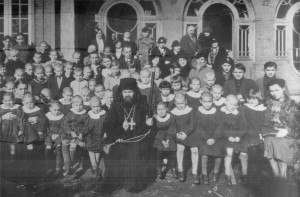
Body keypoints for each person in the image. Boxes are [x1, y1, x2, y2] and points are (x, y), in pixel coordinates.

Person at [94, 78, 154, 194]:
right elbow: (108, 124)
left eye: (130, 91)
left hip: (136, 139)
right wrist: (118, 135)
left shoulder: (141, 103)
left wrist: (148, 124)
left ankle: (132, 185)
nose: (127, 94)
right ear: (121, 92)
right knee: (114, 153)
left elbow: (145, 127)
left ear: (135, 92)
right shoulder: (116, 105)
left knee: (134, 153)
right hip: (119, 139)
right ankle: (111, 184)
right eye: (125, 92)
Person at [262, 78, 300, 179]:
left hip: (289, 135)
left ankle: (282, 176)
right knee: (268, 140)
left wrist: (287, 130)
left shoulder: (292, 104)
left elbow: (298, 126)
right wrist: (262, 132)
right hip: (272, 133)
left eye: (276, 90)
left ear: (283, 88)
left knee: (280, 143)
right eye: (271, 91)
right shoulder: (268, 103)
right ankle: (276, 174)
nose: (274, 93)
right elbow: (265, 122)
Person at [171, 92, 199, 184]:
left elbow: (192, 124)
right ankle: (180, 170)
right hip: (179, 134)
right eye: (178, 103)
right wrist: (176, 134)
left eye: (182, 103)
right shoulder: (173, 112)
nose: (180, 105)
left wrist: (186, 133)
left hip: (190, 134)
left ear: (186, 101)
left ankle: (194, 172)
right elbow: (172, 125)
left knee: (194, 150)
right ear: (175, 103)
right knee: (180, 149)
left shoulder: (190, 110)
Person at [195, 92, 223, 185]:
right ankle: (204, 173)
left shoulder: (216, 111)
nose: (207, 104)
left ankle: (216, 172)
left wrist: (214, 138)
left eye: (209, 101)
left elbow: (220, 126)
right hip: (203, 137)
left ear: (213, 101)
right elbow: (198, 127)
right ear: (200, 101)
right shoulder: (198, 112)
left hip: (215, 136)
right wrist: (207, 138)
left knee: (218, 151)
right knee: (205, 151)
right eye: (205, 101)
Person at [220, 94, 248, 186]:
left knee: (244, 152)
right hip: (226, 137)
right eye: (231, 104)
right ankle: (227, 174)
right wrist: (229, 136)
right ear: (225, 102)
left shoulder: (239, 112)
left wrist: (239, 136)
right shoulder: (221, 112)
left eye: (235, 105)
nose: (233, 107)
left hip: (238, 137)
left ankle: (244, 174)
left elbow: (244, 126)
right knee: (229, 152)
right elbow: (221, 128)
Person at [62, 95, 90, 176]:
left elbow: (87, 125)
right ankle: (68, 165)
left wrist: (82, 133)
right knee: (67, 146)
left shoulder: (85, 114)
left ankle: (73, 161)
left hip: (80, 135)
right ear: (72, 105)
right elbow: (65, 124)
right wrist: (70, 132)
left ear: (83, 104)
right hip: (70, 134)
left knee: (74, 146)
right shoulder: (70, 114)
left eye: (80, 105)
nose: (78, 107)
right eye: (76, 105)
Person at [242, 88, 266, 181]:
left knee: (261, 150)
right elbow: (242, 122)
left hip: (259, 134)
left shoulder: (263, 108)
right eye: (250, 99)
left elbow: (264, 122)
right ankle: (251, 173)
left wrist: (262, 133)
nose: (252, 101)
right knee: (253, 150)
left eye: (254, 99)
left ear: (259, 99)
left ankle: (258, 173)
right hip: (248, 133)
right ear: (247, 99)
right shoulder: (245, 108)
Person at [153, 102, 177, 180]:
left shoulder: (171, 117)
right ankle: (159, 170)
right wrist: (163, 141)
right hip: (159, 138)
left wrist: (168, 139)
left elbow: (172, 128)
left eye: (163, 109)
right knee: (159, 152)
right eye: (159, 109)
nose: (161, 111)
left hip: (170, 137)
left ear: (167, 109)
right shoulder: (155, 118)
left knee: (173, 151)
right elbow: (155, 131)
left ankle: (173, 168)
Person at [85, 96, 107, 178]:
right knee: (91, 150)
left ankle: (96, 167)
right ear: (90, 106)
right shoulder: (88, 114)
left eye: (98, 106)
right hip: (91, 136)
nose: (96, 109)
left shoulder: (104, 114)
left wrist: (106, 132)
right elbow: (86, 125)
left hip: (100, 135)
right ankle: (94, 168)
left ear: (101, 105)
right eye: (94, 107)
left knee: (97, 151)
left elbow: (107, 124)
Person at [44, 101, 64, 175]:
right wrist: (51, 134)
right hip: (49, 135)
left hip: (58, 135)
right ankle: (48, 167)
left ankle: (57, 167)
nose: (57, 112)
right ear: (50, 109)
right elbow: (45, 127)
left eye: (58, 110)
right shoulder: (47, 116)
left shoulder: (62, 116)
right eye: (55, 110)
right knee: (48, 149)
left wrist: (59, 134)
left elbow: (63, 127)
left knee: (59, 149)